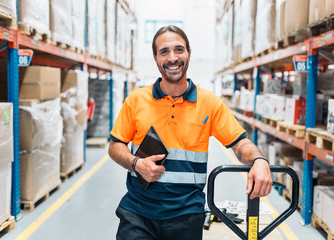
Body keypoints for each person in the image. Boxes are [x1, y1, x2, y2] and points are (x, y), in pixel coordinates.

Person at [108, 25, 272, 240]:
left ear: (189, 53)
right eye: (164, 51)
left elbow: (240, 144)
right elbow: (115, 146)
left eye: (179, 49)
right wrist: (136, 164)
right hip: (138, 212)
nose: (172, 58)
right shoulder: (136, 100)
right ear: (155, 58)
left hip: (186, 215)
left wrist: (260, 160)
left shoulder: (209, 103)